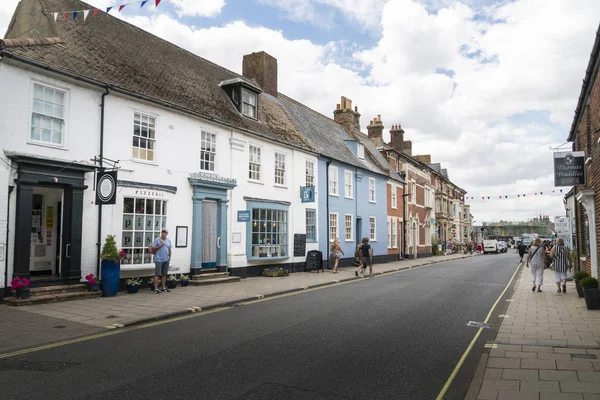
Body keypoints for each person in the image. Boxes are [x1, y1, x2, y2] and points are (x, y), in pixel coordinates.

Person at [151, 228, 172, 294]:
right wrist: (160, 245)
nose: (163, 233)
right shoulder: (157, 240)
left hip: (166, 259)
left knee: (164, 274)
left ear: (167, 233)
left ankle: (163, 287)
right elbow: (153, 248)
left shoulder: (168, 240)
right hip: (159, 259)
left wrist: (169, 257)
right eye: (163, 232)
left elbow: (169, 249)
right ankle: (156, 288)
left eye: (165, 232)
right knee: (157, 274)